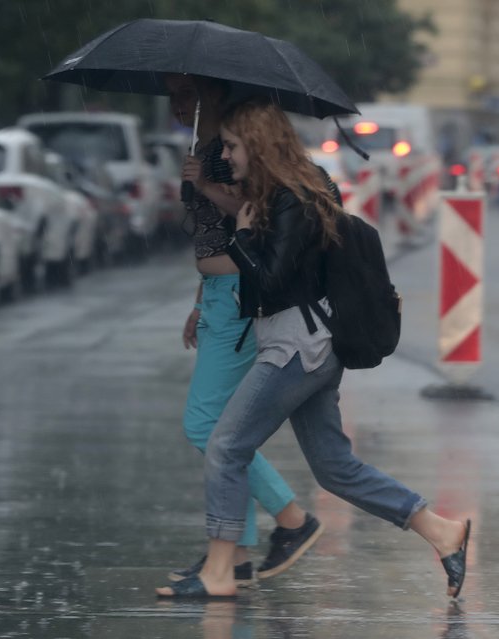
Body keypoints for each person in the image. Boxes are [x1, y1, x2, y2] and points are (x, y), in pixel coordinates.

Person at [157, 98, 470, 599]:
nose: (228, 155)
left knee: (225, 445)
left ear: (256, 146)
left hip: (297, 350)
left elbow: (273, 282)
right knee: (334, 468)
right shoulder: (283, 195)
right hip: (309, 348)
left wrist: (239, 238)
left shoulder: (291, 200)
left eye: (234, 147)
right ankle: (440, 530)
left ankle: (221, 569)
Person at [163, 74, 322, 586]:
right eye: (170, 93)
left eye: (184, 93)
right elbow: (213, 237)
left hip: (236, 296)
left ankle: (292, 518)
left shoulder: (229, 152)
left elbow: (257, 219)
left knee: (205, 426)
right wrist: (197, 300)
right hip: (217, 296)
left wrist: (206, 183)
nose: (174, 103)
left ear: (209, 94)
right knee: (225, 430)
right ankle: (233, 556)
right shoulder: (208, 147)